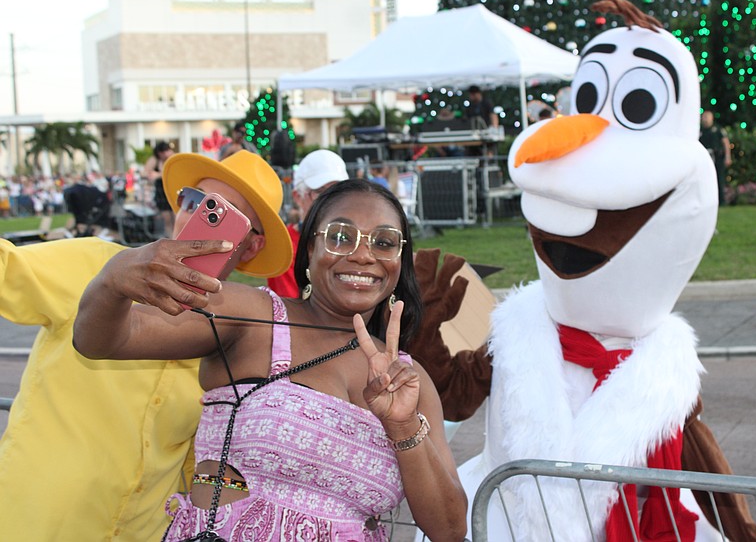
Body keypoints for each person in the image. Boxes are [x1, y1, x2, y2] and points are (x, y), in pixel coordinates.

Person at [73, 179, 468, 541]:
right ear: (309, 248)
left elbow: (448, 530)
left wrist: (401, 426)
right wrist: (113, 279)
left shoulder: (408, 379)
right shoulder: (257, 317)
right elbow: (104, 339)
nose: (363, 255)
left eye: (384, 242)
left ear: (399, 260)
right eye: (340, 237)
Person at [0, 150, 291, 541]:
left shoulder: (235, 334)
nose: (195, 215)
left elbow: (203, 463)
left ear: (252, 246)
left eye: (224, 214)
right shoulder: (95, 263)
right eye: (194, 200)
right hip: (28, 522)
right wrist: (110, 283)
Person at [267, 149, 349, 298]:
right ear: (298, 197)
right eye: (320, 192)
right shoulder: (284, 246)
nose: (330, 200)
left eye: (338, 192)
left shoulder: (353, 243)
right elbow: (294, 311)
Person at [700, 110, 732, 205]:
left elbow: (725, 142)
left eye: (707, 117)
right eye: (704, 117)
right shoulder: (700, 130)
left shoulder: (717, 129)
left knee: (719, 178)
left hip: (717, 157)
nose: (705, 119)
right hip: (704, 157)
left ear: (711, 118)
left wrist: (728, 156)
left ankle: (721, 201)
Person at [144, 141, 176, 236]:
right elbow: (146, 172)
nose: (165, 154)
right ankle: (171, 239)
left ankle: (177, 238)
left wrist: (158, 175)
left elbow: (173, 172)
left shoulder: (173, 158)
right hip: (161, 193)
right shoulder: (156, 160)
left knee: (176, 218)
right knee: (167, 219)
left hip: (173, 191)